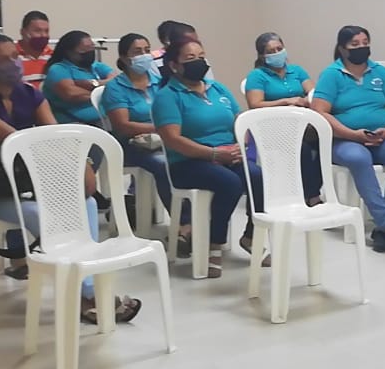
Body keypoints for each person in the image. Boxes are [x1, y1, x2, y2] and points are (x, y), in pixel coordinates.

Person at [0, 34, 141, 323]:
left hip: (29, 183)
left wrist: (82, 163)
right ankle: (87, 295)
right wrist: (65, 167)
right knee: (42, 215)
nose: (14, 63)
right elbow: (17, 144)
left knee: (88, 204)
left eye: (14, 56)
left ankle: (86, 288)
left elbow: (56, 137)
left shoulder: (29, 93)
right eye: (4, 59)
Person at [152, 38, 263, 277]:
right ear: (174, 65)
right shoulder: (167, 96)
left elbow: (240, 120)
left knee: (257, 176)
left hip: (227, 155)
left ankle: (251, 236)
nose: (199, 62)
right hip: (188, 162)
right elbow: (173, 139)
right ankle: (215, 244)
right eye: (190, 58)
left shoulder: (217, 89)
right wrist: (213, 154)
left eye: (201, 56)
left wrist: (239, 146)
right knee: (229, 183)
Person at [311, 26, 385, 255]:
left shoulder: (379, 72)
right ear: (342, 48)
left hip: (383, 136)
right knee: (359, 158)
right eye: (355, 44)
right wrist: (351, 134)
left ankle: (383, 227)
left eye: (365, 42)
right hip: (345, 139)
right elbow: (320, 112)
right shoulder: (331, 74)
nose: (361, 47)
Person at [100, 33, 182, 227]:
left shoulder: (160, 82)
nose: (144, 55)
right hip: (131, 144)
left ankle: (201, 217)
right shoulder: (115, 88)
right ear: (124, 58)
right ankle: (183, 222)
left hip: (165, 139)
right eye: (137, 52)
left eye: (147, 50)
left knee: (194, 157)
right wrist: (161, 128)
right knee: (164, 164)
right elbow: (122, 126)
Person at [244, 32, 323, 205]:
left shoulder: (297, 71)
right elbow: (255, 104)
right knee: (301, 149)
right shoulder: (257, 76)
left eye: (279, 49)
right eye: (271, 51)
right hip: (273, 129)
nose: (277, 53)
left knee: (326, 143)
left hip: (302, 125)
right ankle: (312, 196)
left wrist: (306, 100)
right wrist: (286, 102)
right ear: (262, 56)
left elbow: (313, 93)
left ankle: (314, 186)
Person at [43, 30, 116, 126]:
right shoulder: (58, 69)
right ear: (69, 52)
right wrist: (102, 93)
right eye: (85, 49)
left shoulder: (95, 66)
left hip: (105, 119)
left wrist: (94, 84)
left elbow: (115, 80)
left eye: (92, 47)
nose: (90, 51)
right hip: (74, 124)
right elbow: (71, 94)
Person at [17, 11, 53, 89]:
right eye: (37, 31)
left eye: (46, 31)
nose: (43, 35)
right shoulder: (11, 56)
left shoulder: (53, 57)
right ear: (23, 32)